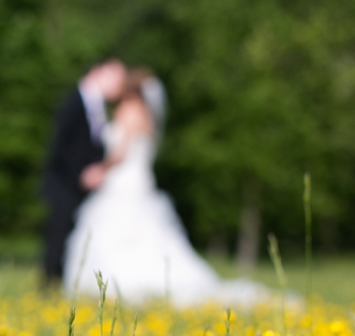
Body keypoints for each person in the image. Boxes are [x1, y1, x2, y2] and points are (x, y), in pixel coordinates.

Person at [62, 69, 274, 309]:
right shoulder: (148, 117)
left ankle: (121, 285)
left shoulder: (129, 112)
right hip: (138, 184)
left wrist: (101, 168)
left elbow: (120, 153)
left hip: (123, 185)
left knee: (118, 235)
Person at [41, 58, 127, 287]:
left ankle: (60, 282)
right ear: (98, 72)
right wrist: (80, 173)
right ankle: (49, 284)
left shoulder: (98, 106)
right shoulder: (74, 102)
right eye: (116, 78)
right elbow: (61, 146)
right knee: (57, 237)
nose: (119, 84)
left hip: (83, 187)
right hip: (64, 183)